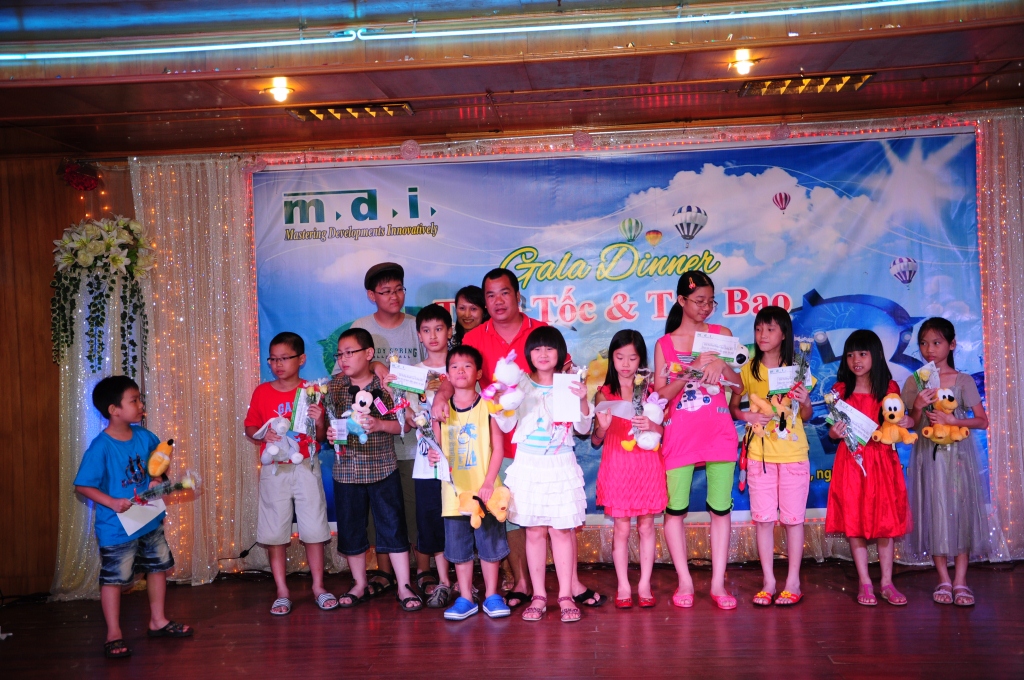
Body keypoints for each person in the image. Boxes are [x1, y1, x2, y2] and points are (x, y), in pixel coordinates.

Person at [432, 268, 603, 609]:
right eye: (490, 295)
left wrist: (581, 397)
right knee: (514, 518)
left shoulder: (540, 332)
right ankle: (524, 582)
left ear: (517, 295)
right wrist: (441, 395)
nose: (498, 301)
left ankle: (569, 585)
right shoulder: (473, 338)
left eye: (504, 293)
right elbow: (456, 376)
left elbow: (567, 378)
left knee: (559, 519)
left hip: (548, 449)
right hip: (493, 445)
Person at [74, 376, 193, 659]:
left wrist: (158, 479)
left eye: (140, 399)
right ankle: (113, 633)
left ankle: (158, 621)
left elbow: (159, 464)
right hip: (116, 528)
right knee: (114, 578)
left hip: (148, 519)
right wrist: (112, 502)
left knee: (157, 568)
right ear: (114, 409)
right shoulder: (101, 447)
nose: (141, 405)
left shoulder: (145, 436)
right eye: (134, 400)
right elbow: (83, 485)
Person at [653, 271, 740, 610]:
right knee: (675, 510)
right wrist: (692, 369)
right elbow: (660, 395)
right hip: (680, 436)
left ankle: (718, 583)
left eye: (710, 302)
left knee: (720, 508)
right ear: (681, 301)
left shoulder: (722, 335)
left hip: (719, 433)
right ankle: (685, 581)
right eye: (699, 301)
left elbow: (739, 386)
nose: (705, 307)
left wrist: (721, 366)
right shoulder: (665, 344)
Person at [494, 326, 593, 622]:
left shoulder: (569, 383)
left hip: (560, 465)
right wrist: (502, 401)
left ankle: (565, 595)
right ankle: (538, 595)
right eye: (537, 349)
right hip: (529, 466)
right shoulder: (520, 383)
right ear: (529, 354)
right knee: (534, 532)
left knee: (561, 532)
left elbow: (583, 429)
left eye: (549, 348)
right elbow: (505, 425)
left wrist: (583, 399)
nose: (543, 354)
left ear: (560, 353)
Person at [325, 328, 423, 612]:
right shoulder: (334, 386)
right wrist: (330, 435)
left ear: (369, 353)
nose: (343, 359)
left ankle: (404, 585)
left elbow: (403, 425)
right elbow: (331, 425)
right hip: (346, 471)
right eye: (340, 354)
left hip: (382, 468)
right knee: (352, 529)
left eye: (350, 353)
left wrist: (379, 425)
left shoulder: (386, 384)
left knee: (392, 526)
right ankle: (358, 583)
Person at [349, 262, 429, 588]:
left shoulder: (416, 326)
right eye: (385, 292)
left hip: (414, 432)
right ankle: (384, 572)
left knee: (415, 505)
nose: (394, 297)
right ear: (372, 295)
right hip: (375, 438)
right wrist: (376, 364)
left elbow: (431, 370)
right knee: (380, 508)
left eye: (399, 290)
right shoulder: (361, 326)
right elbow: (350, 372)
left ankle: (422, 571)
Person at [243, 332, 334, 616]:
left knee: (314, 528)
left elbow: (321, 437)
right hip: (275, 469)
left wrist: (320, 420)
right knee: (274, 530)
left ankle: (318, 586)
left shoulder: (311, 391)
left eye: (284, 358)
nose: (278, 364)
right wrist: (263, 434)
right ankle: (282, 591)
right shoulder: (262, 391)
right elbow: (250, 427)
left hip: (306, 466)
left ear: (301, 359)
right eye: (273, 359)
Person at [902, 318, 990, 607]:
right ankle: (943, 578)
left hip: (959, 457)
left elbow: (982, 421)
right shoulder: (915, 381)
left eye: (936, 342)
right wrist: (917, 407)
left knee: (960, 513)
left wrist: (953, 421)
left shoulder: (963, 380)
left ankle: (961, 580)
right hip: (928, 456)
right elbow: (909, 424)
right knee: (934, 512)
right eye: (924, 343)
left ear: (952, 345)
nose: (929, 349)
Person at [728, 307, 812, 607]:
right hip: (759, 455)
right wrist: (747, 415)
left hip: (793, 455)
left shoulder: (798, 369)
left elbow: (806, 414)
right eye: (759, 329)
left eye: (770, 329)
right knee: (763, 521)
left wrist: (804, 400)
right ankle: (768, 582)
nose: (763, 335)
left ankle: (793, 582)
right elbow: (734, 408)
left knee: (793, 521)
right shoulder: (748, 370)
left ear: (784, 334)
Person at [826, 329, 912, 606]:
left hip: (882, 461)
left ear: (876, 355)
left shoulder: (889, 388)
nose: (856, 360)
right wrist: (835, 433)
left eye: (862, 354)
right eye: (850, 355)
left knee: (885, 520)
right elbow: (832, 431)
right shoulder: (840, 390)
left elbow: (900, 421)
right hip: (852, 461)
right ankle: (865, 582)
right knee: (855, 519)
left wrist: (907, 423)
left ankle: (887, 582)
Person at [431, 345, 511, 620]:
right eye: (454, 367)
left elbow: (498, 448)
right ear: (447, 374)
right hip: (454, 494)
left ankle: (492, 595)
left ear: (478, 373)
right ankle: (465, 597)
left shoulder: (488, 406)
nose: (461, 371)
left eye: (467, 366)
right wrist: (433, 454)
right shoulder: (441, 410)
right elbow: (436, 447)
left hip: (486, 492)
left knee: (490, 545)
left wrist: (488, 483)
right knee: (458, 548)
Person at [592, 330, 666, 609]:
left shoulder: (651, 392)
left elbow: (665, 432)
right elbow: (595, 440)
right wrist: (602, 427)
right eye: (620, 357)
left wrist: (653, 425)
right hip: (618, 467)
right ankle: (623, 585)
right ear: (612, 358)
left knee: (647, 526)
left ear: (641, 360)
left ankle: (644, 584)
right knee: (621, 529)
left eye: (632, 358)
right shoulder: (603, 393)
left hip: (647, 466)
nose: (625, 364)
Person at [404, 304, 454, 607]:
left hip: (461, 460)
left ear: (450, 331)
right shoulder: (412, 374)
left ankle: (463, 580)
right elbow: (409, 416)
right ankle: (444, 581)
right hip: (427, 461)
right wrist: (409, 415)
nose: (433, 336)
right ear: (419, 335)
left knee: (460, 518)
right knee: (433, 519)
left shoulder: (462, 365)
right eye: (426, 330)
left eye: (439, 329)